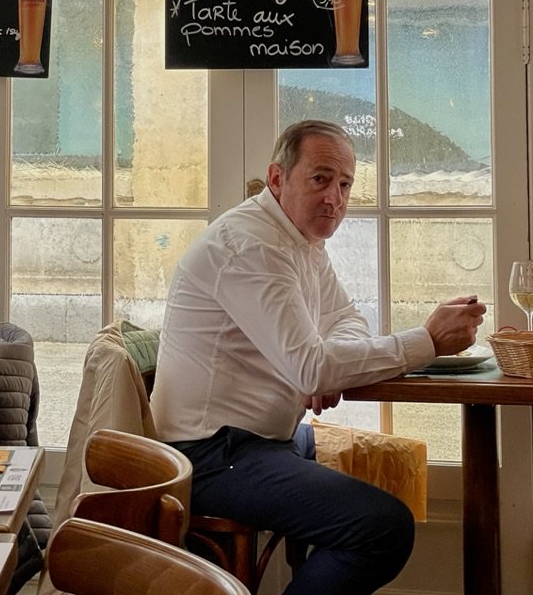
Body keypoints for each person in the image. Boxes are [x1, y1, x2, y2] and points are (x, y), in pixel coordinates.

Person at [150, 119, 485, 595]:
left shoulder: (300, 241)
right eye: (321, 179)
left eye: (345, 184)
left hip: (264, 438)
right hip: (210, 455)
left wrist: (321, 363)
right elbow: (310, 365)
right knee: (384, 528)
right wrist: (425, 341)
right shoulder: (251, 245)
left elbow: (345, 319)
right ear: (277, 178)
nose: (335, 198)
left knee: (381, 469)